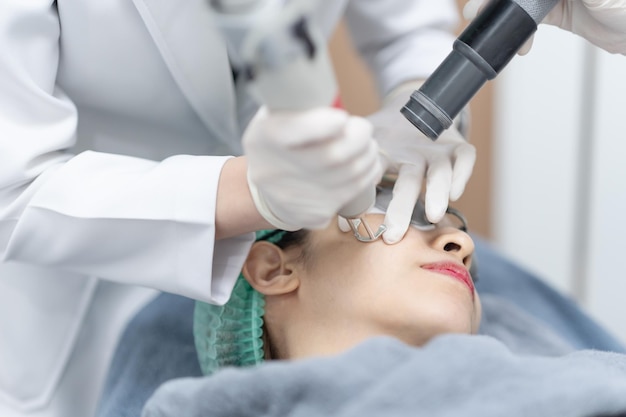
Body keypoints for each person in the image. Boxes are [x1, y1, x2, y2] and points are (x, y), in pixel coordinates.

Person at [1, 1, 625, 416]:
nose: (463, 245)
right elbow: (14, 191)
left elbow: (408, 23)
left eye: (431, 221)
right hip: (70, 268)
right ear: (272, 268)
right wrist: (248, 192)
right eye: (398, 212)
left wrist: (423, 98)